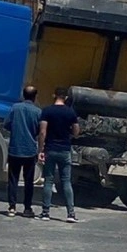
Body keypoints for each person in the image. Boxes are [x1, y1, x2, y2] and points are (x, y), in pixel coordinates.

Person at [37, 87, 80, 223]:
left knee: (48, 181)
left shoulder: (47, 111)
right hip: (65, 150)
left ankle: (45, 212)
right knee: (66, 181)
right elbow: (76, 131)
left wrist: (41, 150)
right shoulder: (70, 112)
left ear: (54, 95)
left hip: (50, 149)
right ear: (66, 97)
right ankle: (71, 214)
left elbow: (42, 132)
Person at [4, 85, 42, 218]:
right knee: (28, 180)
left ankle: (12, 207)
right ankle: (27, 208)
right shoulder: (38, 112)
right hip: (30, 150)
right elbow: (39, 130)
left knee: (13, 179)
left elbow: (7, 124)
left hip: (15, 148)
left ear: (23, 95)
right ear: (35, 97)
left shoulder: (15, 108)